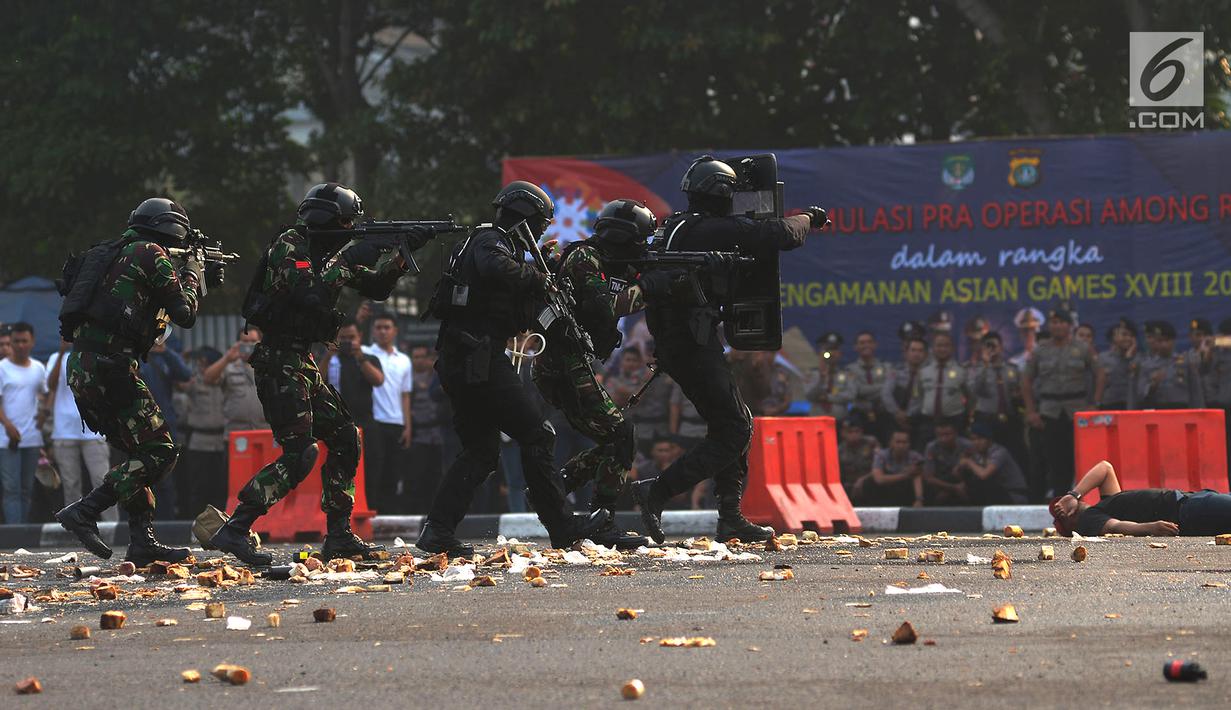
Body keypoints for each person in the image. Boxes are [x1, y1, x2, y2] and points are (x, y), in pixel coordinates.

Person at [210, 182, 426, 565]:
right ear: (326, 219)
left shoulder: (329, 256)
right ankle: (237, 527)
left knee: (345, 437)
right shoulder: (291, 245)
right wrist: (350, 257)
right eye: (345, 222)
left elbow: (375, 288)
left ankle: (339, 535)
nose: (350, 229)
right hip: (278, 362)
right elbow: (307, 293)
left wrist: (400, 255)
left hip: (302, 363)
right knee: (300, 453)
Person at [633, 155, 825, 544]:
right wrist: (809, 217)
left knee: (733, 423)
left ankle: (730, 517)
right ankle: (658, 490)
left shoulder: (676, 226)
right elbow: (781, 235)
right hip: (691, 343)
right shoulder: (711, 229)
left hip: (681, 341)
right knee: (736, 427)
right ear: (720, 195)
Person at [417, 180, 609, 556]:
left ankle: (437, 530)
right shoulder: (491, 240)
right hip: (478, 359)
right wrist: (540, 277)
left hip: (467, 360)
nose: (539, 233)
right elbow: (496, 269)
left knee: (480, 451)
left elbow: (512, 306)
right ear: (524, 216)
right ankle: (562, 526)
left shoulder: (489, 242)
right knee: (538, 434)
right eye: (539, 224)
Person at [55, 198, 207, 564]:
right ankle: (87, 509)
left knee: (138, 451)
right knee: (160, 450)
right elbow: (184, 313)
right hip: (112, 367)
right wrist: (192, 273)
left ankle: (142, 542)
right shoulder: (151, 252)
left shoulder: (109, 253)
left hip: (84, 365)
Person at [532, 198, 658, 548]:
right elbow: (605, 306)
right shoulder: (584, 258)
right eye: (640, 240)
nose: (642, 248)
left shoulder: (620, 264)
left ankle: (550, 490)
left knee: (615, 439)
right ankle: (598, 521)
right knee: (621, 434)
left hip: (575, 364)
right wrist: (650, 288)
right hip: (562, 365)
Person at [1022, 304, 1104, 499]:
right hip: (1050, 412)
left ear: (1069, 325)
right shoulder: (1041, 351)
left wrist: (1095, 403)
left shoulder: (1082, 348)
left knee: (1080, 459)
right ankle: (1060, 501)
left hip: (1077, 411)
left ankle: (1082, 500)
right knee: (1055, 462)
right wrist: (1031, 411)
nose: (1057, 326)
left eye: (1061, 322)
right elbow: (1026, 380)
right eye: (1054, 322)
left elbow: (1100, 374)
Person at [1050, 459, 1231, 537]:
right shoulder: (1089, 521)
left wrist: (1073, 494)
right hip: (1189, 511)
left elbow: (1105, 468)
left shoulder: (1107, 503)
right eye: (1060, 513)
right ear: (1070, 524)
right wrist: (1150, 527)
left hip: (1194, 501)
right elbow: (1116, 527)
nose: (1062, 509)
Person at [46, 339, 114, 521]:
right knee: (71, 484)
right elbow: (50, 386)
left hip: (93, 432)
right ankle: (76, 525)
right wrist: (61, 353)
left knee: (102, 480)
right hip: (64, 431)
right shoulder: (55, 358)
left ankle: (112, 525)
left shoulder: (93, 355)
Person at [363, 313, 413, 512]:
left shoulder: (404, 360)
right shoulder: (366, 354)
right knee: (373, 469)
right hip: (373, 420)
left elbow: (405, 395)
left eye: (387, 327)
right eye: (379, 327)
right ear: (373, 330)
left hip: (396, 421)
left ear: (395, 331)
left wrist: (408, 426)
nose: (383, 331)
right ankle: (372, 510)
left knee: (393, 470)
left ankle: (389, 513)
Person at [0, 323, 48, 523]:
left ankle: (23, 535)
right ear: (10, 342)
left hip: (31, 438)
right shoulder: (2, 368)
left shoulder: (37, 368)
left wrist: (44, 412)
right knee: (11, 490)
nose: (20, 345)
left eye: (24, 341)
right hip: (6, 439)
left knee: (26, 489)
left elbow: (45, 394)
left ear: (32, 342)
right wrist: (8, 425)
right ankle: (14, 534)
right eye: (16, 341)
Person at [140, 339, 193, 517]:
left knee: (166, 477)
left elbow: (185, 373)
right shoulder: (136, 356)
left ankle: (167, 522)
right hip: (140, 425)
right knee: (142, 475)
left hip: (164, 423)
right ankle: (144, 520)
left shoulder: (163, 357)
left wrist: (165, 351)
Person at [969, 332, 1028, 470]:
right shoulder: (978, 369)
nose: (991, 349)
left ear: (1001, 347)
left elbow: (1021, 392)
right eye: (987, 346)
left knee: (1016, 457)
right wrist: (985, 363)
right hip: (987, 420)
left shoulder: (1012, 369)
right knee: (989, 457)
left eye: (994, 345)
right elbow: (975, 390)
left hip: (1010, 421)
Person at [179, 347, 226, 517]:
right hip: (199, 441)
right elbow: (177, 377)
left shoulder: (225, 384)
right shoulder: (194, 383)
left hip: (220, 442)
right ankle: (195, 524)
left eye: (205, 364)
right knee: (198, 488)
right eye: (199, 363)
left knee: (220, 488)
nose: (201, 367)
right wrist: (181, 358)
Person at [405, 345, 446, 514]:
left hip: (438, 432)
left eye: (423, 356)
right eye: (416, 357)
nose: (420, 360)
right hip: (418, 433)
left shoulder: (437, 376)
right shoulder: (408, 378)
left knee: (436, 475)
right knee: (417, 475)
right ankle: (417, 512)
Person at [910, 331, 969, 445]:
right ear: (932, 348)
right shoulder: (923, 372)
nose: (942, 349)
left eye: (946, 345)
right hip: (928, 422)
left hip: (954, 422)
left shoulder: (962, 371)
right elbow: (917, 396)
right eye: (939, 345)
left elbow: (969, 397)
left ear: (952, 348)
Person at [958, 420, 1029, 505]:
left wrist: (969, 462)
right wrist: (961, 465)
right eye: (973, 439)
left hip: (1013, 494)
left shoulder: (999, 452)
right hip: (996, 495)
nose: (976, 442)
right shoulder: (977, 454)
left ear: (989, 439)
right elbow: (956, 473)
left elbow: (984, 475)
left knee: (985, 484)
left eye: (980, 439)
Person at [1136, 320, 1203, 409]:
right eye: (1160, 341)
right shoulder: (1147, 365)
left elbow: (1195, 391)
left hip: (1182, 410)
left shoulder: (1186, 362)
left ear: (1174, 341)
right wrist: (1153, 385)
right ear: (1155, 342)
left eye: (1167, 340)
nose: (1164, 345)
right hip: (1158, 410)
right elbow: (1140, 394)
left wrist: (1200, 412)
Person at [841, 332, 889, 442]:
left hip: (882, 415)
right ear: (855, 347)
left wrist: (866, 390)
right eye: (862, 343)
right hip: (860, 416)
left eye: (869, 342)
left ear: (875, 345)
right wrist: (882, 387)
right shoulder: (850, 370)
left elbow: (889, 389)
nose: (866, 345)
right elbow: (857, 391)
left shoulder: (885, 367)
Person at [882, 336, 927, 446]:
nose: (916, 354)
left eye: (920, 351)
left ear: (926, 354)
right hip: (894, 418)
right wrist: (897, 413)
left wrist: (908, 415)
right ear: (906, 353)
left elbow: (926, 398)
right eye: (913, 350)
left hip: (917, 420)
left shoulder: (929, 374)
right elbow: (886, 394)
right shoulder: (896, 371)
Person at [858, 429, 922, 507]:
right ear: (891, 443)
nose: (901, 446)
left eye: (904, 442)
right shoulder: (881, 455)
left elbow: (917, 477)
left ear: (909, 444)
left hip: (905, 491)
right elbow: (879, 479)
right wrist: (906, 475)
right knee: (869, 482)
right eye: (898, 442)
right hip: (886, 490)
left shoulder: (915, 457)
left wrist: (919, 499)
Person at [920, 422, 972, 505]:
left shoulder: (967, 445)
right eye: (940, 435)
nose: (944, 438)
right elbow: (929, 477)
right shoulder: (931, 447)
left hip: (962, 479)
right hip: (941, 481)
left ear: (955, 434)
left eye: (947, 434)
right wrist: (953, 488)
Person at [805, 332, 849, 421]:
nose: (831, 353)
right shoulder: (812, 374)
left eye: (834, 349)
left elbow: (850, 395)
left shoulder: (846, 374)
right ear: (820, 352)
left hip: (840, 421)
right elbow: (809, 396)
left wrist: (828, 398)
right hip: (816, 422)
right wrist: (821, 378)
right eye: (827, 349)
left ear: (840, 353)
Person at [836, 413, 878, 503]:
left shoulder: (871, 443)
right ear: (843, 433)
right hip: (849, 485)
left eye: (857, 431)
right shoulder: (839, 450)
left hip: (870, 481)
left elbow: (880, 467)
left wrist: (862, 480)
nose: (854, 435)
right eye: (850, 432)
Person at [1098, 318, 1139, 410]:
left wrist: (1129, 358)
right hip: (1109, 405)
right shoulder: (1103, 358)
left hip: (1132, 407)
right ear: (1113, 337)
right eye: (1124, 335)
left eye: (1131, 335)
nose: (1128, 338)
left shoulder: (1139, 359)